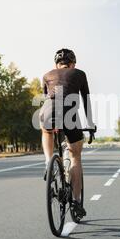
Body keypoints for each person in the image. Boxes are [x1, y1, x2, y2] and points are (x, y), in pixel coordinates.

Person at [39, 48, 94, 218]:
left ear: (56, 65)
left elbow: (48, 97)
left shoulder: (46, 75)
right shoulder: (79, 73)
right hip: (70, 114)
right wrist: (90, 125)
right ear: (73, 64)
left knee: (46, 130)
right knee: (76, 156)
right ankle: (76, 202)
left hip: (47, 111)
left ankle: (49, 161)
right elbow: (86, 101)